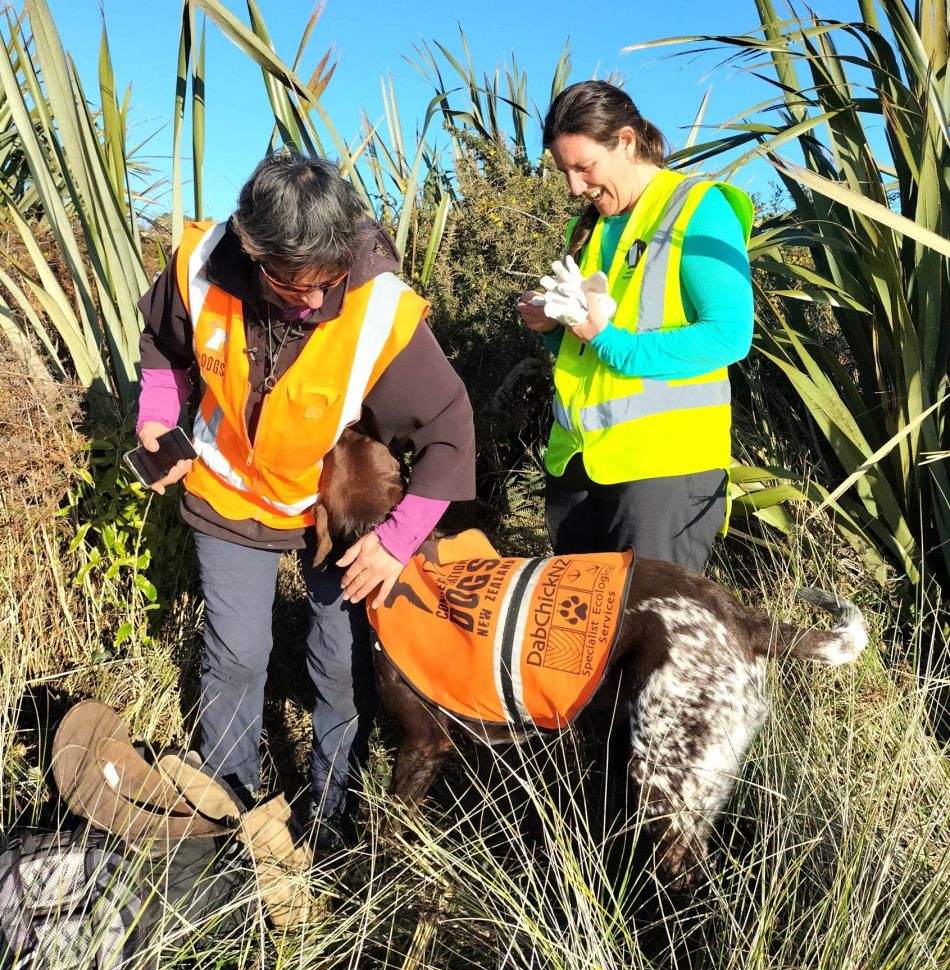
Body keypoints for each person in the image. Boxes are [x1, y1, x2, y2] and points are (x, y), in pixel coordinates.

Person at [135, 150, 475, 845]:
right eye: (295, 285)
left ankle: (331, 816)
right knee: (238, 656)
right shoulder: (198, 266)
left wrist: (396, 537)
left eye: (330, 281)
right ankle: (224, 808)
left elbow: (450, 430)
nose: (317, 301)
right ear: (251, 249)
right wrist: (154, 418)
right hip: (227, 491)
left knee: (341, 665)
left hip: (335, 507)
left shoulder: (382, 309)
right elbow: (162, 345)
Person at [517, 80, 754, 570]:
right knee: (584, 636)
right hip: (579, 465)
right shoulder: (590, 227)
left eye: (584, 167)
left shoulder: (698, 207)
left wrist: (610, 342)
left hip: (663, 471)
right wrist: (553, 327)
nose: (575, 187)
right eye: (565, 171)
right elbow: (585, 353)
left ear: (625, 142)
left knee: (655, 642)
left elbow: (730, 335)